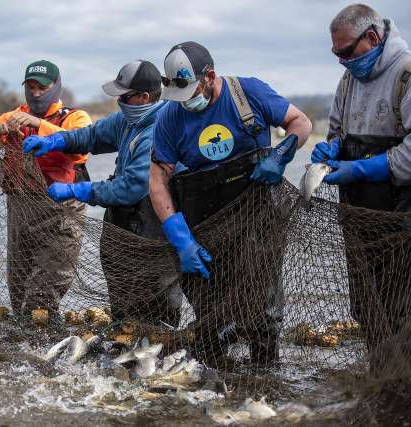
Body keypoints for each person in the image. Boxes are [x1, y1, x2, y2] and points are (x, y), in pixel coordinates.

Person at [149, 42, 312, 363]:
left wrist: (281, 154)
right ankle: (215, 380)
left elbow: (301, 123)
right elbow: (157, 181)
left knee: (261, 307)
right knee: (210, 311)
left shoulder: (247, 93)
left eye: (190, 91)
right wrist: (181, 240)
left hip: (257, 216)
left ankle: (266, 376)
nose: (185, 103)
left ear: (209, 76)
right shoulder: (170, 117)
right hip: (206, 221)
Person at [23, 60, 183, 327]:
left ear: (144, 97)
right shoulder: (129, 119)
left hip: (153, 225)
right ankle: (126, 349)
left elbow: (130, 188)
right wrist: (55, 140)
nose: (118, 100)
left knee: (154, 308)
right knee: (123, 305)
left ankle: (156, 349)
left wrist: (76, 189)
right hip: (125, 223)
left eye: (124, 96)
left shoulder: (159, 130)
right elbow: (91, 136)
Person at [312, 4, 411, 351]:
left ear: (372, 37)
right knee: (365, 305)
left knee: (399, 307)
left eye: (346, 52)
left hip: (398, 215)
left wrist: (360, 169)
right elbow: (337, 130)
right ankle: (378, 373)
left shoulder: (406, 74)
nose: (341, 61)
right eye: (336, 54)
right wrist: (332, 150)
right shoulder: (348, 79)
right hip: (356, 215)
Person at [0, 60, 92, 318]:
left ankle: (44, 350)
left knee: (43, 296)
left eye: (42, 88)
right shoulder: (10, 118)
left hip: (61, 214)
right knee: (20, 293)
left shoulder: (75, 117)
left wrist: (37, 124)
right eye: (31, 87)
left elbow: (81, 150)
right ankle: (22, 351)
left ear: (56, 87)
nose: (36, 93)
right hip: (20, 212)